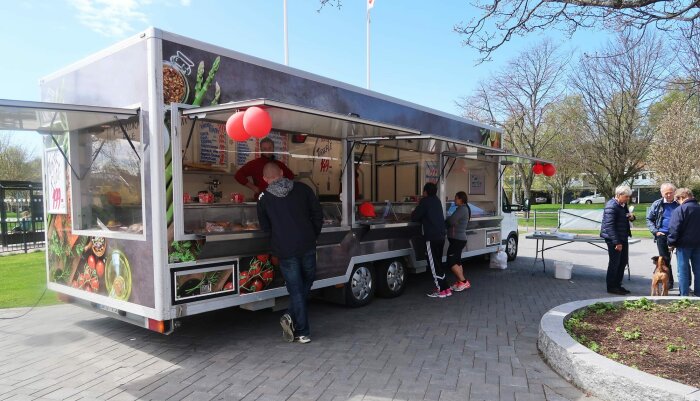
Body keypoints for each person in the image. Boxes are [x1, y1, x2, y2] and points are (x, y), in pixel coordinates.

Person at [257, 162, 323, 343]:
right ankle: (295, 322)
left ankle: (301, 330)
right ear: (281, 172)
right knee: (306, 282)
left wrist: (276, 243)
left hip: (285, 249)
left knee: (296, 289)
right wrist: (313, 234)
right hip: (307, 245)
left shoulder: (263, 198)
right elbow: (318, 214)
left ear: (264, 179)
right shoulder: (303, 188)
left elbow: (265, 228)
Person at [411, 182, 450, 298]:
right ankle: (446, 288)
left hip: (431, 237)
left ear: (425, 192)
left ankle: (441, 290)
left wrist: (416, 208)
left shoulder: (425, 201)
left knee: (433, 265)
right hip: (441, 236)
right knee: (438, 263)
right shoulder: (437, 201)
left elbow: (415, 217)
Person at [600, 185, 636, 295]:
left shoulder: (622, 205)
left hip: (623, 237)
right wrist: (617, 242)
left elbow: (626, 216)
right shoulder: (611, 206)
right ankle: (611, 286)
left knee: (623, 261)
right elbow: (609, 226)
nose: (628, 199)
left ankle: (618, 285)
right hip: (614, 239)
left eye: (628, 197)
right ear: (618, 195)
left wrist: (632, 217)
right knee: (615, 263)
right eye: (626, 196)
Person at [667, 188, 700, 297]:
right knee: (698, 270)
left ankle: (684, 295)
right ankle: (698, 294)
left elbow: (674, 228)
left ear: (681, 197)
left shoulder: (680, 210)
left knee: (683, 271)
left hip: (683, 245)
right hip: (698, 244)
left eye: (678, 200)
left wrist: (671, 243)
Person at [646, 183, 679, 289]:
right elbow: (649, 219)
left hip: (678, 235)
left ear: (675, 192)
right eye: (666, 193)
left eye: (671, 193)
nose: (669, 195)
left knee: (682, 259)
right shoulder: (657, 204)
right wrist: (655, 231)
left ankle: (685, 285)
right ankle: (668, 281)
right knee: (665, 260)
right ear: (662, 193)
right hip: (662, 234)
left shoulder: (679, 203)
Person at [446, 191, 471, 292]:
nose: (454, 200)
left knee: (450, 261)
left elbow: (451, 221)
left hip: (458, 240)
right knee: (457, 262)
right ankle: (459, 282)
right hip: (458, 239)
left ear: (461, 199)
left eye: (456, 198)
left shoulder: (462, 209)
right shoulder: (462, 209)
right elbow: (453, 220)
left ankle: (464, 282)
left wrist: (449, 220)